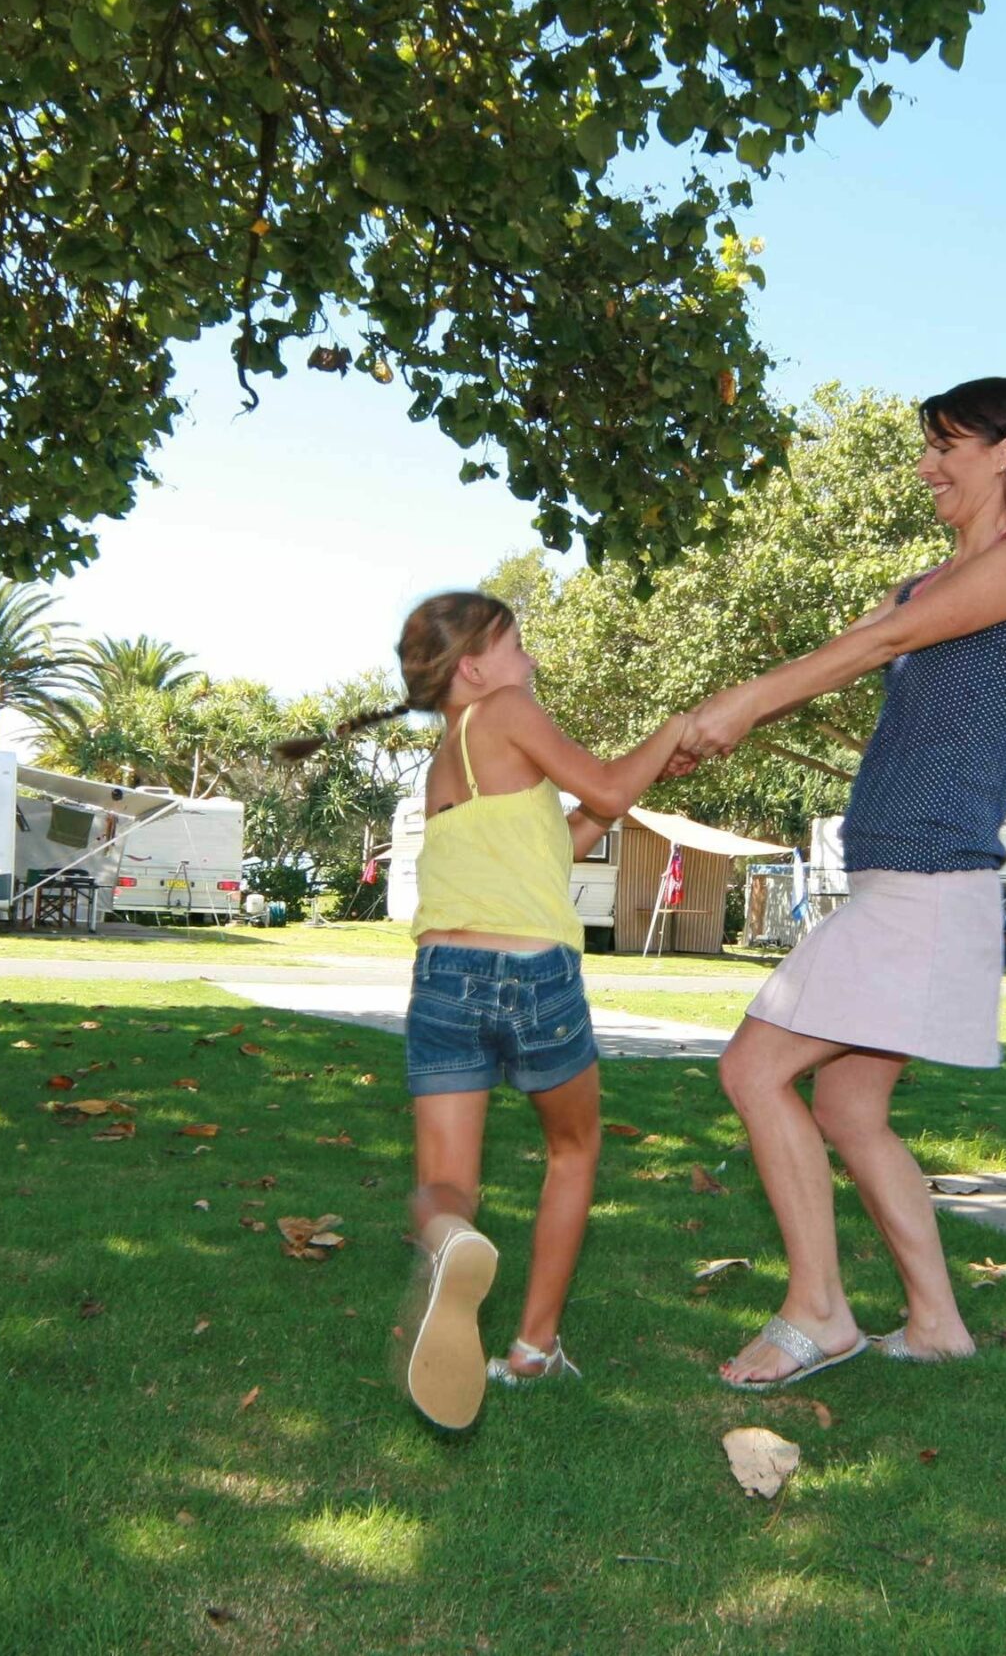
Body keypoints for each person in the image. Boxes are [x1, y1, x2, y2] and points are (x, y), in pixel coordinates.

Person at [678, 377, 1006, 1390]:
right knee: (849, 1111)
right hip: (898, 879)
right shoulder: (928, 579)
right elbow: (853, 644)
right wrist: (711, 725)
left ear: (1005, 451)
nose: (924, 466)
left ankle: (817, 1313)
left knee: (752, 1070)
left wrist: (744, 703)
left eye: (943, 446)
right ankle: (937, 1324)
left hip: (926, 882)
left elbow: (883, 644)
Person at [285, 592, 693, 1429]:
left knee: (443, 1184)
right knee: (573, 1149)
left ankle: (450, 1242)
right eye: (517, 646)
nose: (531, 662)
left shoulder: (446, 761)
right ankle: (534, 1348)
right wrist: (673, 728)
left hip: (443, 972)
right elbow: (612, 784)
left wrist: (636, 780)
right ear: (474, 668)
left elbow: (562, 838)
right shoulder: (508, 710)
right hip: (534, 971)